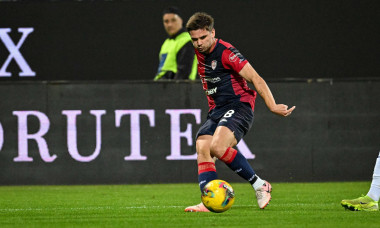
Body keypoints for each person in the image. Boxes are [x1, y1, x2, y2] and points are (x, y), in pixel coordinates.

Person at [184, 12, 296, 212]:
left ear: (213, 33)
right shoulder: (200, 51)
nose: (199, 43)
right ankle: (208, 201)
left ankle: (259, 184)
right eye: (194, 39)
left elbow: (255, 77)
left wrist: (272, 105)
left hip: (239, 105)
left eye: (203, 37)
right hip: (218, 109)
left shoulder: (227, 52)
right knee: (202, 146)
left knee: (217, 147)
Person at [154, 7, 198, 81]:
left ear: (181, 20)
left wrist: (174, 90)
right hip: (162, 87)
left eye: (173, 20)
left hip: (179, 89)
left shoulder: (187, 41)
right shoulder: (167, 42)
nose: (170, 24)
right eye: (166, 21)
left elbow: (184, 72)